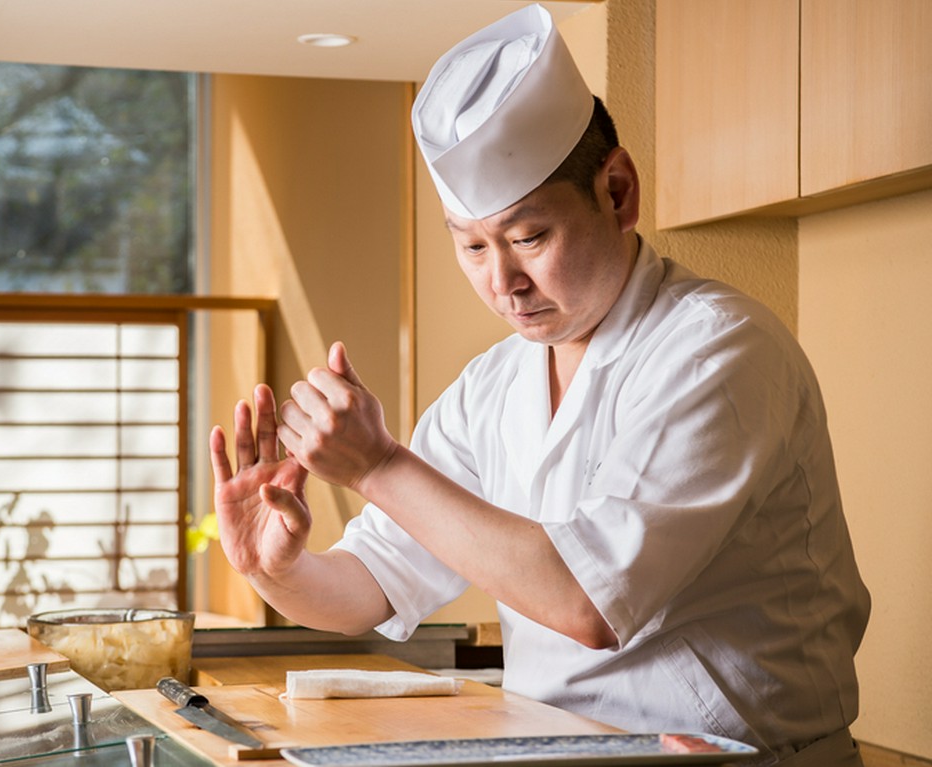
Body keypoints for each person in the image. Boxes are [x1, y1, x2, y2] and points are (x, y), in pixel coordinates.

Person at [209, 5, 870, 765]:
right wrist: (276, 569)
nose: (503, 282)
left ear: (617, 191)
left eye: (529, 237)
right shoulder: (490, 387)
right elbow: (372, 585)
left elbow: (589, 603)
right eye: (472, 247)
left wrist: (381, 465)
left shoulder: (717, 350)